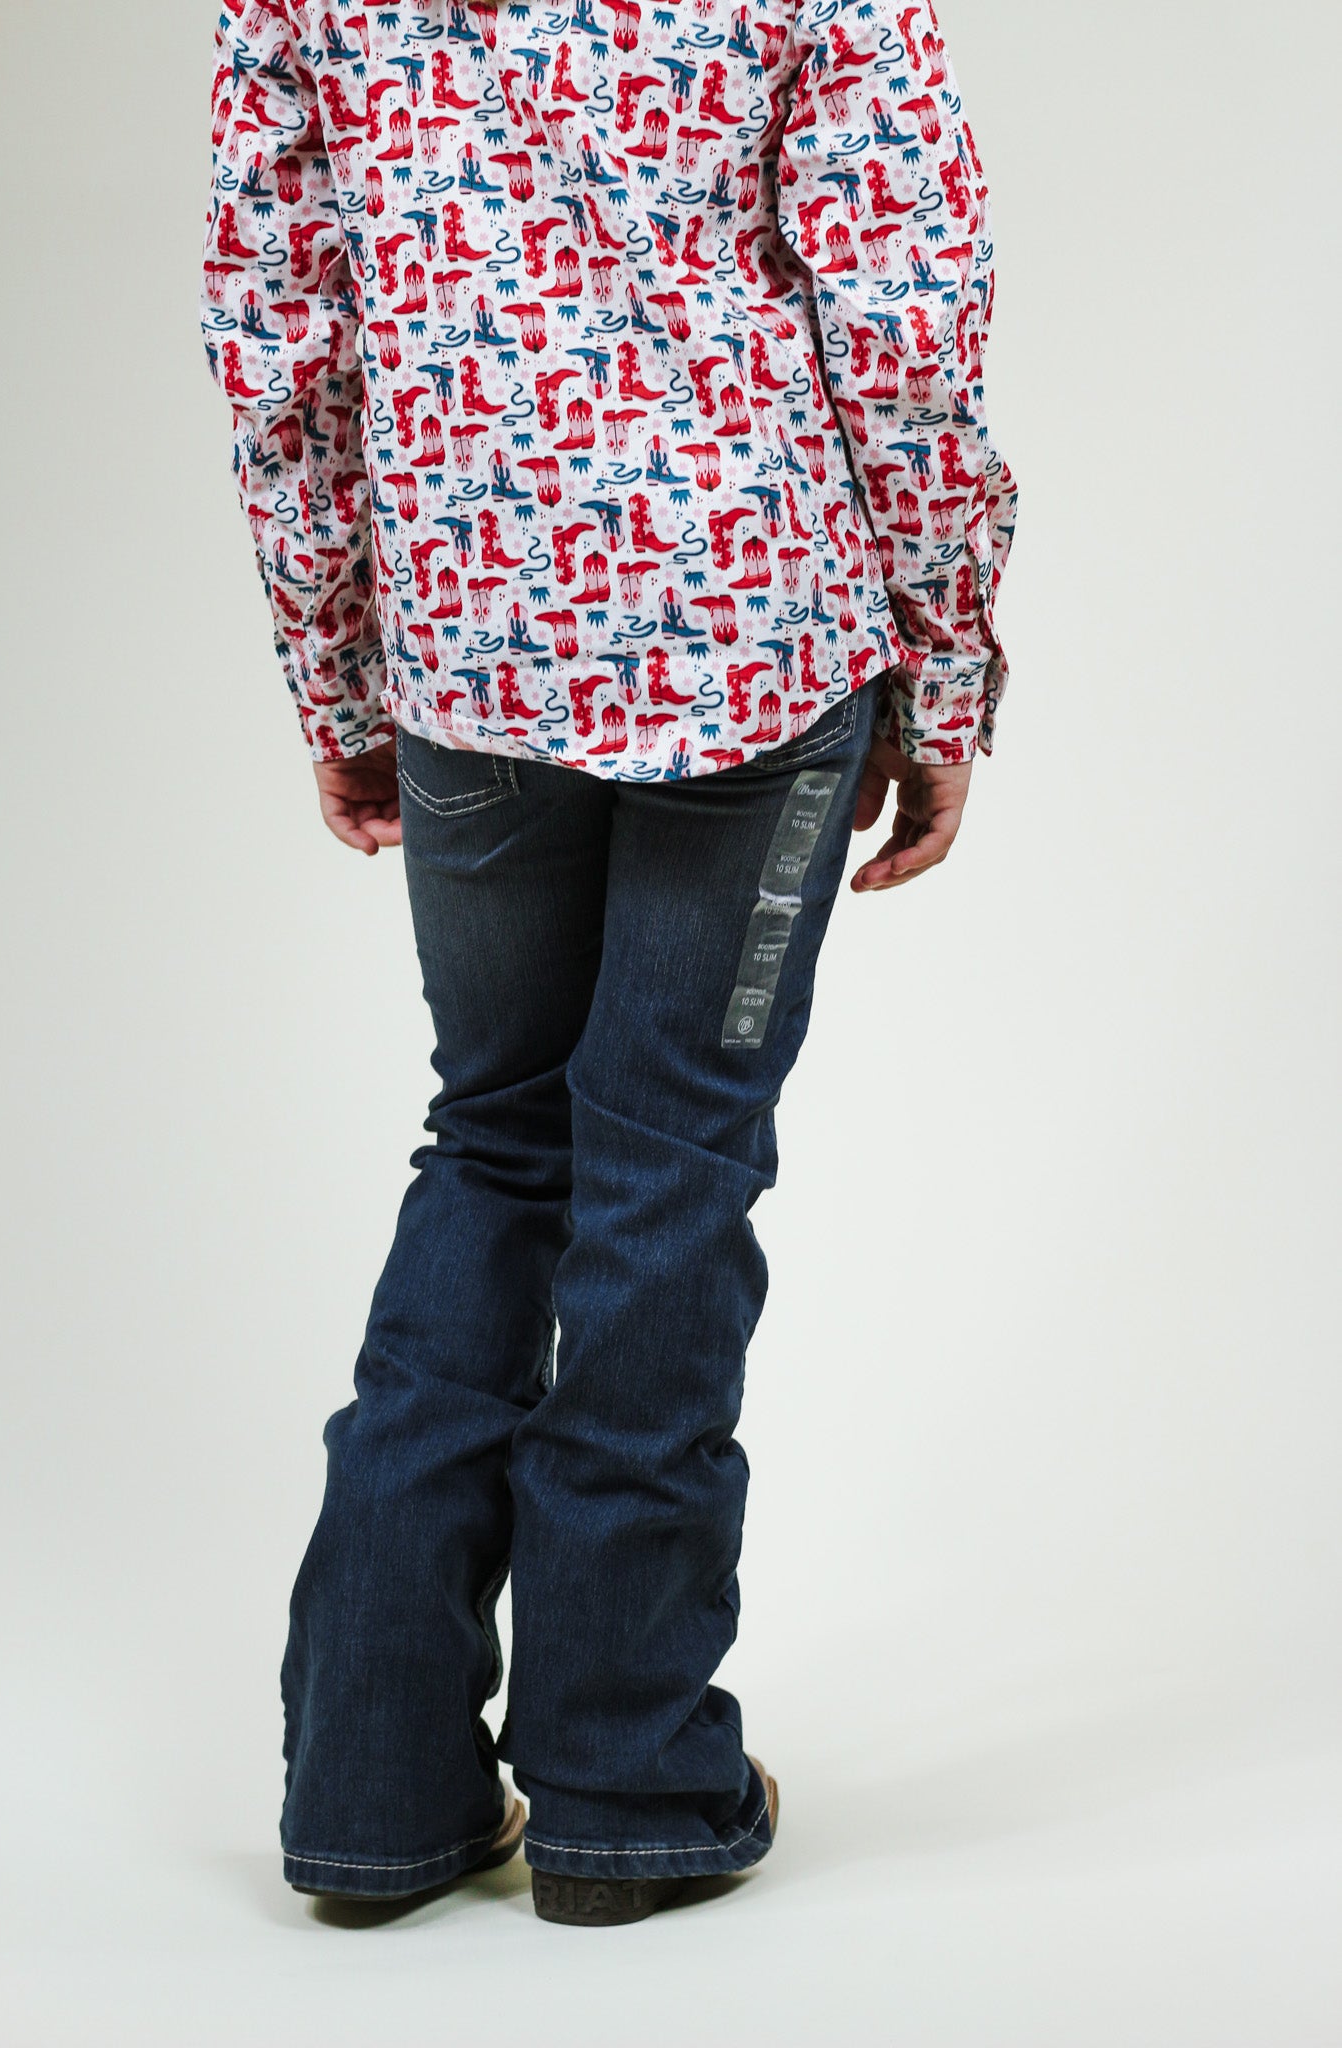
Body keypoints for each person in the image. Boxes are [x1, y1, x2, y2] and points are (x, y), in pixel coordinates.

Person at [201, 0, 1016, 1928]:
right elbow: (906, 321)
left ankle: (374, 1795)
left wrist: (340, 669)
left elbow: (277, 338)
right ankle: (628, 1790)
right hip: (755, 631)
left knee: (496, 1143)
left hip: (469, 637)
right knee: (665, 1177)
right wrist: (948, 664)